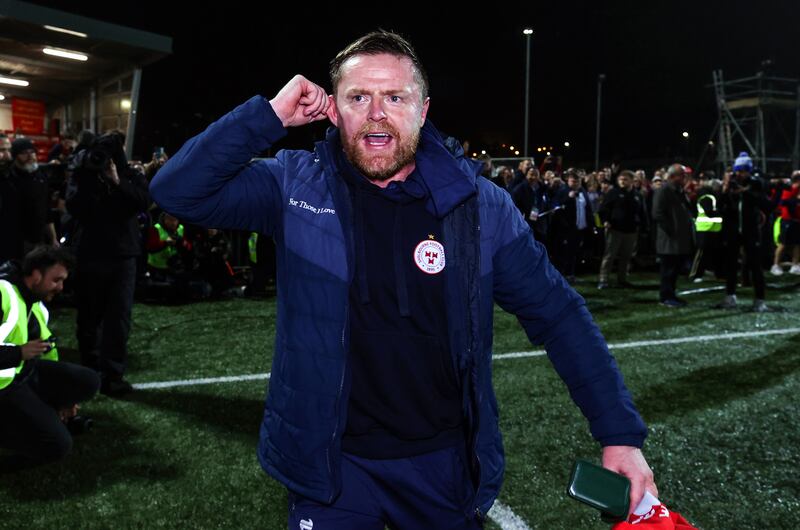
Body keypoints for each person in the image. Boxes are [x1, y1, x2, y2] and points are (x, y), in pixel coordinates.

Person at [150, 30, 656, 528]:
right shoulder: (293, 186)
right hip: (332, 470)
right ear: (333, 109)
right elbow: (177, 191)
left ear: (423, 109)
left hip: (443, 465)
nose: (376, 112)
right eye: (358, 97)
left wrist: (619, 434)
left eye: (395, 97)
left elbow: (559, 315)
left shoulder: (479, 207)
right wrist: (270, 116)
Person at [65, 131, 150, 395]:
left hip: (123, 257)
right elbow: (75, 207)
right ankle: (89, 373)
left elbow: (142, 203)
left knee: (118, 319)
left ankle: (112, 376)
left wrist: (116, 181)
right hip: (90, 254)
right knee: (89, 316)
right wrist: (89, 177)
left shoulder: (130, 175)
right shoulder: (84, 173)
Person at [0, 246, 99, 471]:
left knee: (88, 381)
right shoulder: (2, 293)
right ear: (35, 275)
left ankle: (44, 416)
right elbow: (22, 352)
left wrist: (60, 400)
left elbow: (47, 348)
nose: (61, 287)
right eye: (56, 280)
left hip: (19, 375)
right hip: (3, 386)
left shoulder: (36, 303)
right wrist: (17, 353)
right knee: (57, 445)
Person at [714, 153, 771, 312]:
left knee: (755, 265)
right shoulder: (731, 185)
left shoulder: (755, 184)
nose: (740, 174)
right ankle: (730, 297)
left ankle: (759, 300)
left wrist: (744, 191)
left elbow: (764, 202)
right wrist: (725, 190)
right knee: (731, 265)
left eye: (743, 171)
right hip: (733, 232)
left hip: (751, 231)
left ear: (749, 171)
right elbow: (720, 207)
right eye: (738, 171)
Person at [652, 164, 695, 307]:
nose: (684, 178)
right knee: (668, 270)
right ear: (672, 177)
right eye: (681, 175)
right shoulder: (663, 191)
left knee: (674, 270)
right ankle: (665, 297)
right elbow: (657, 213)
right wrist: (671, 230)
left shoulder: (678, 191)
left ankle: (672, 295)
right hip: (669, 240)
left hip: (678, 240)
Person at [598, 170, 646, 289]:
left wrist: (644, 226)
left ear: (631, 181)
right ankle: (603, 279)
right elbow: (603, 209)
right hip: (615, 229)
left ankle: (622, 279)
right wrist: (606, 220)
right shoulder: (613, 193)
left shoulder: (637, 195)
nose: (622, 182)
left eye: (625, 179)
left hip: (631, 230)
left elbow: (642, 212)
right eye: (620, 179)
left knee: (626, 256)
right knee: (610, 255)